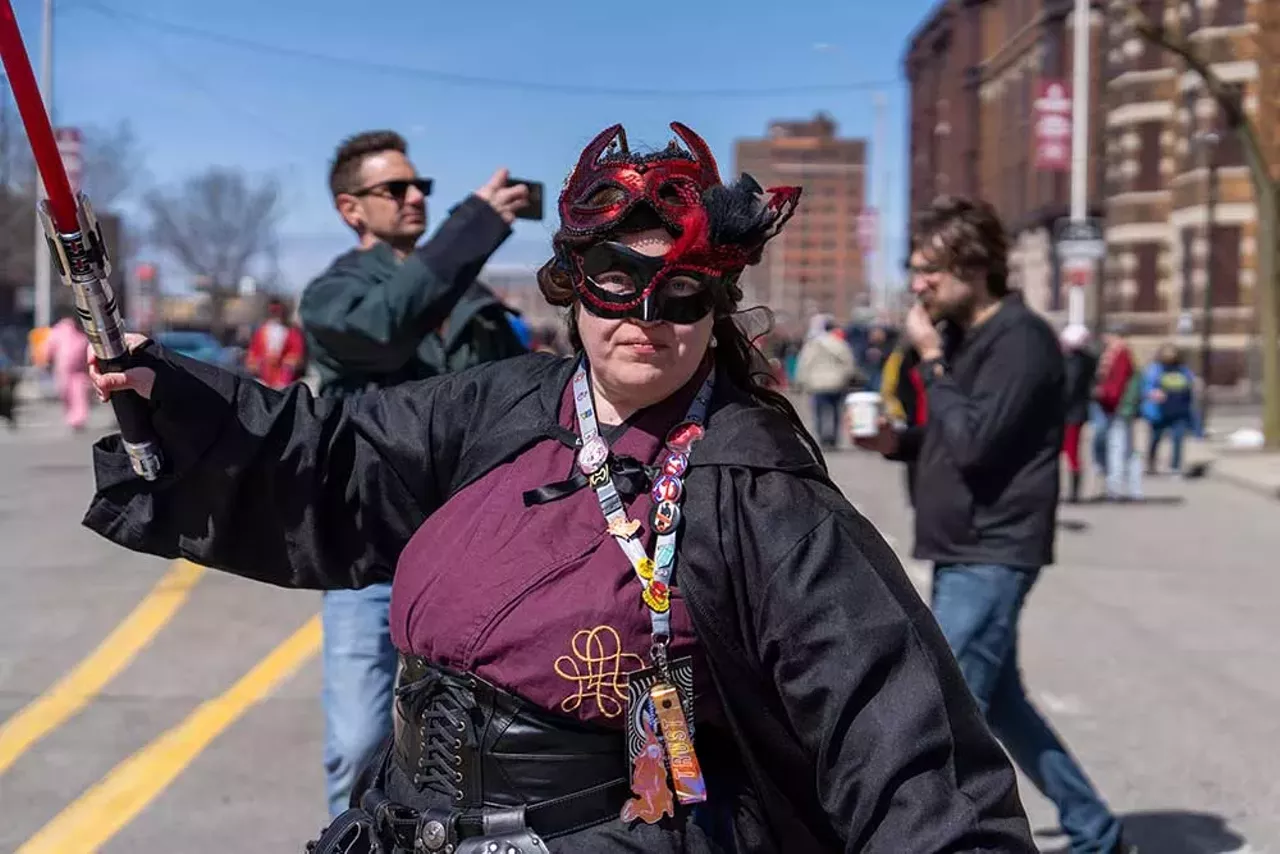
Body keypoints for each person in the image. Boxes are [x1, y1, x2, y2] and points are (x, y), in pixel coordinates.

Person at [82, 122, 1034, 853]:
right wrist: (176, 396)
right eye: (618, 282)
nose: (645, 319)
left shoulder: (760, 492)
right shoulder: (505, 405)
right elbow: (336, 452)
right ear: (576, 285)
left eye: (684, 294)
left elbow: (901, 737)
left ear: (718, 307)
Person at [856, 195, 1133, 854]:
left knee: (953, 717)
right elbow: (961, 438)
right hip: (962, 544)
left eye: (929, 270)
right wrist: (902, 442)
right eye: (915, 267)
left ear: (974, 267)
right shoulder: (970, 337)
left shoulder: (1022, 340)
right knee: (1002, 704)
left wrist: (930, 362)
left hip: (994, 548)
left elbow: (977, 444)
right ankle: (1098, 832)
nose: (917, 282)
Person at [298, 129, 532, 818]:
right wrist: (474, 226)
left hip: (473, 556)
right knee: (360, 740)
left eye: (419, 187)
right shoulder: (334, 297)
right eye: (393, 189)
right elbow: (384, 329)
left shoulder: (473, 300)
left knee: (474, 752)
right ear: (351, 208)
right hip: (371, 557)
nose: (413, 198)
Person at [794, 314, 858, 449]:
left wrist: (801, 380)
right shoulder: (839, 343)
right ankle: (833, 439)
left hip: (817, 383)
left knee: (819, 412)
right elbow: (849, 362)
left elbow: (804, 363)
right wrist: (847, 377)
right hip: (836, 383)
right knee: (835, 411)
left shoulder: (812, 344)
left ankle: (822, 438)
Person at [1141, 343, 1197, 475]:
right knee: (1156, 438)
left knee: (1177, 437)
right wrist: (1152, 393)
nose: (1170, 357)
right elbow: (1146, 386)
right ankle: (1151, 462)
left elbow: (1190, 383)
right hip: (1159, 411)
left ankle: (1175, 466)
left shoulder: (1182, 370)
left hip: (1178, 410)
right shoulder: (1154, 369)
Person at [1060, 324, 1097, 503]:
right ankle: (1073, 490)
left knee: (1070, 453)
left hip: (1069, 413)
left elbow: (1070, 388)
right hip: (1076, 412)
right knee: (1072, 452)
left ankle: (1073, 492)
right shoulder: (1087, 360)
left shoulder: (1075, 362)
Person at [44, 310, 92, 431]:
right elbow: (50, 345)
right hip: (64, 369)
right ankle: (72, 416)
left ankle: (78, 418)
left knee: (79, 393)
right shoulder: (60, 330)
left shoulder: (82, 332)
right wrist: (48, 359)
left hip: (79, 370)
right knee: (66, 392)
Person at [245, 298, 308, 389]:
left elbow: (297, 351)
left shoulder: (292, 332)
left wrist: (288, 362)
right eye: (273, 311)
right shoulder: (261, 332)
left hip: (285, 378)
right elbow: (254, 351)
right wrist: (255, 363)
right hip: (264, 375)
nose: (276, 314)